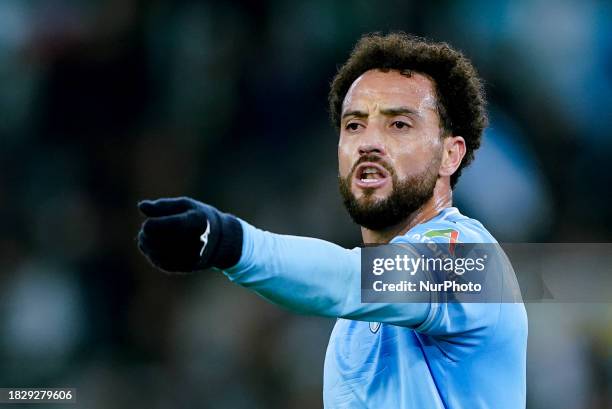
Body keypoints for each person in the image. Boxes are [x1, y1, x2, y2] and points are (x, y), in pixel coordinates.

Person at [136, 32, 527, 408]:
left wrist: (231, 242)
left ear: (450, 155)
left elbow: (349, 280)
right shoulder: (349, 328)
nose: (369, 142)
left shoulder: (471, 259)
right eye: (354, 124)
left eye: (399, 124)